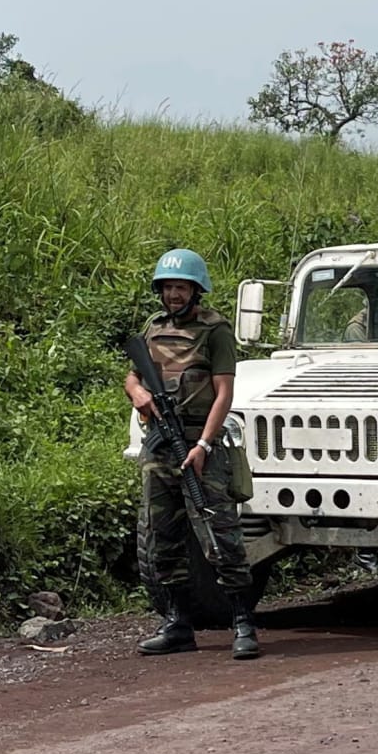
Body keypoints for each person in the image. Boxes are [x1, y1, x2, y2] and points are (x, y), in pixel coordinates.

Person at [127, 249, 260, 660]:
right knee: (160, 538)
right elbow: (133, 375)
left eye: (180, 287)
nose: (173, 295)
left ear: (195, 290)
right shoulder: (153, 328)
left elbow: (224, 392)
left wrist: (203, 444)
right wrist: (138, 393)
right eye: (167, 288)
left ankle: (243, 623)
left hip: (199, 444)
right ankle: (177, 624)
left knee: (220, 536)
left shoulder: (214, 329)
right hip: (160, 446)